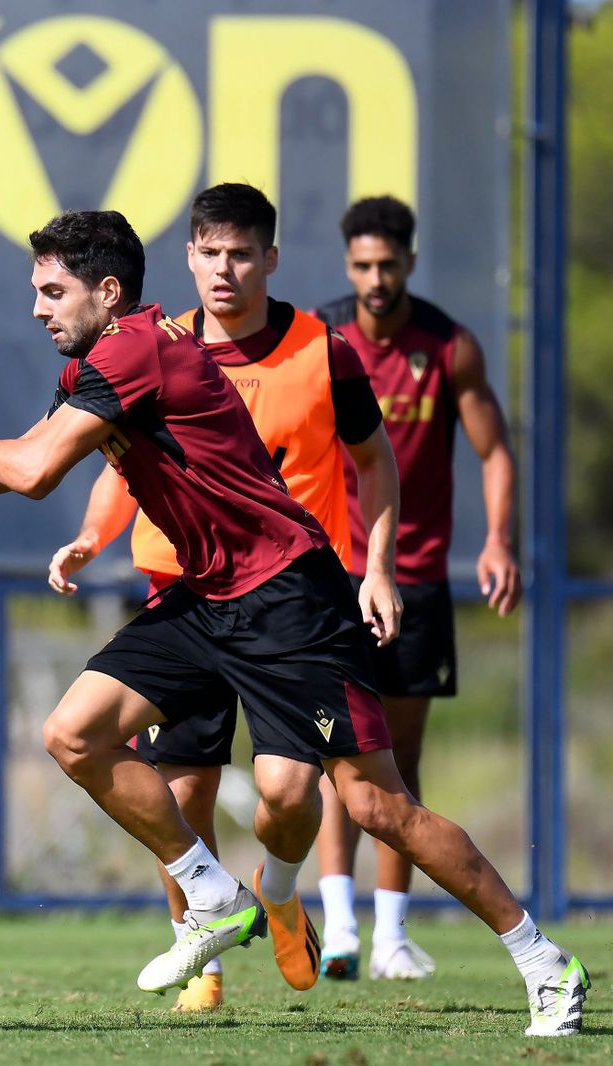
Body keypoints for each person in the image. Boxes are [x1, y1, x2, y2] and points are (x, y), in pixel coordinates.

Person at [0, 209, 588, 1037]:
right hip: (205, 595)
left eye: (52, 291)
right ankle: (215, 894)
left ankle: (545, 964)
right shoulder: (103, 361)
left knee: (376, 808)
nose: (37, 308)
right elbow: (36, 447)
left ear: (108, 292)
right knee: (74, 734)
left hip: (289, 597)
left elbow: (33, 472)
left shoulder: (137, 350)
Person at [47, 183, 398, 1011]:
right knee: (181, 789)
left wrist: (377, 566)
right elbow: (114, 458)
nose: (224, 269)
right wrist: (94, 538)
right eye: (209, 252)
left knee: (286, 794)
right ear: (188, 260)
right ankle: (200, 961)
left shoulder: (322, 349)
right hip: (184, 591)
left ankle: (277, 887)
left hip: (286, 597)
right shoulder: (149, 346)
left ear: (270, 260)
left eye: (241, 253)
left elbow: (374, 460)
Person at [309, 195, 522, 982]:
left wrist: (499, 539)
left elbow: (494, 450)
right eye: (361, 265)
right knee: (341, 751)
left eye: (387, 265)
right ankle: (338, 927)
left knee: (400, 757)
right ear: (347, 266)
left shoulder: (449, 346)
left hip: (418, 575)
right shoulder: (322, 341)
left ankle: (392, 935)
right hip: (333, 574)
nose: (374, 279)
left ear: (410, 261)